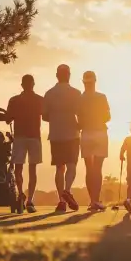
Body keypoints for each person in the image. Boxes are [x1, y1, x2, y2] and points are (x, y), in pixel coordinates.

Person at [42, 64, 82, 213]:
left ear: (57, 75)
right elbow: (80, 113)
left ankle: (61, 201)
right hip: (72, 133)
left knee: (60, 167)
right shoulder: (76, 93)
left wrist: (55, 118)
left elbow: (44, 116)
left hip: (56, 134)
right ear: (69, 75)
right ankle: (67, 190)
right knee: (72, 165)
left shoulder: (49, 93)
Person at [6, 74, 43, 213]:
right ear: (33, 84)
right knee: (32, 169)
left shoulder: (14, 100)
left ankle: (21, 194)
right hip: (34, 137)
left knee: (18, 168)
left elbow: (7, 119)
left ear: (22, 85)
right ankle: (30, 200)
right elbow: (45, 116)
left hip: (20, 137)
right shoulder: (40, 100)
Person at [78, 70, 111, 212]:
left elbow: (78, 117)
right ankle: (96, 200)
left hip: (86, 133)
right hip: (100, 133)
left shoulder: (80, 98)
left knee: (89, 168)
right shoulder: (101, 97)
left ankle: (92, 201)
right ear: (95, 81)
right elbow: (108, 117)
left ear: (83, 82)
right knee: (97, 168)